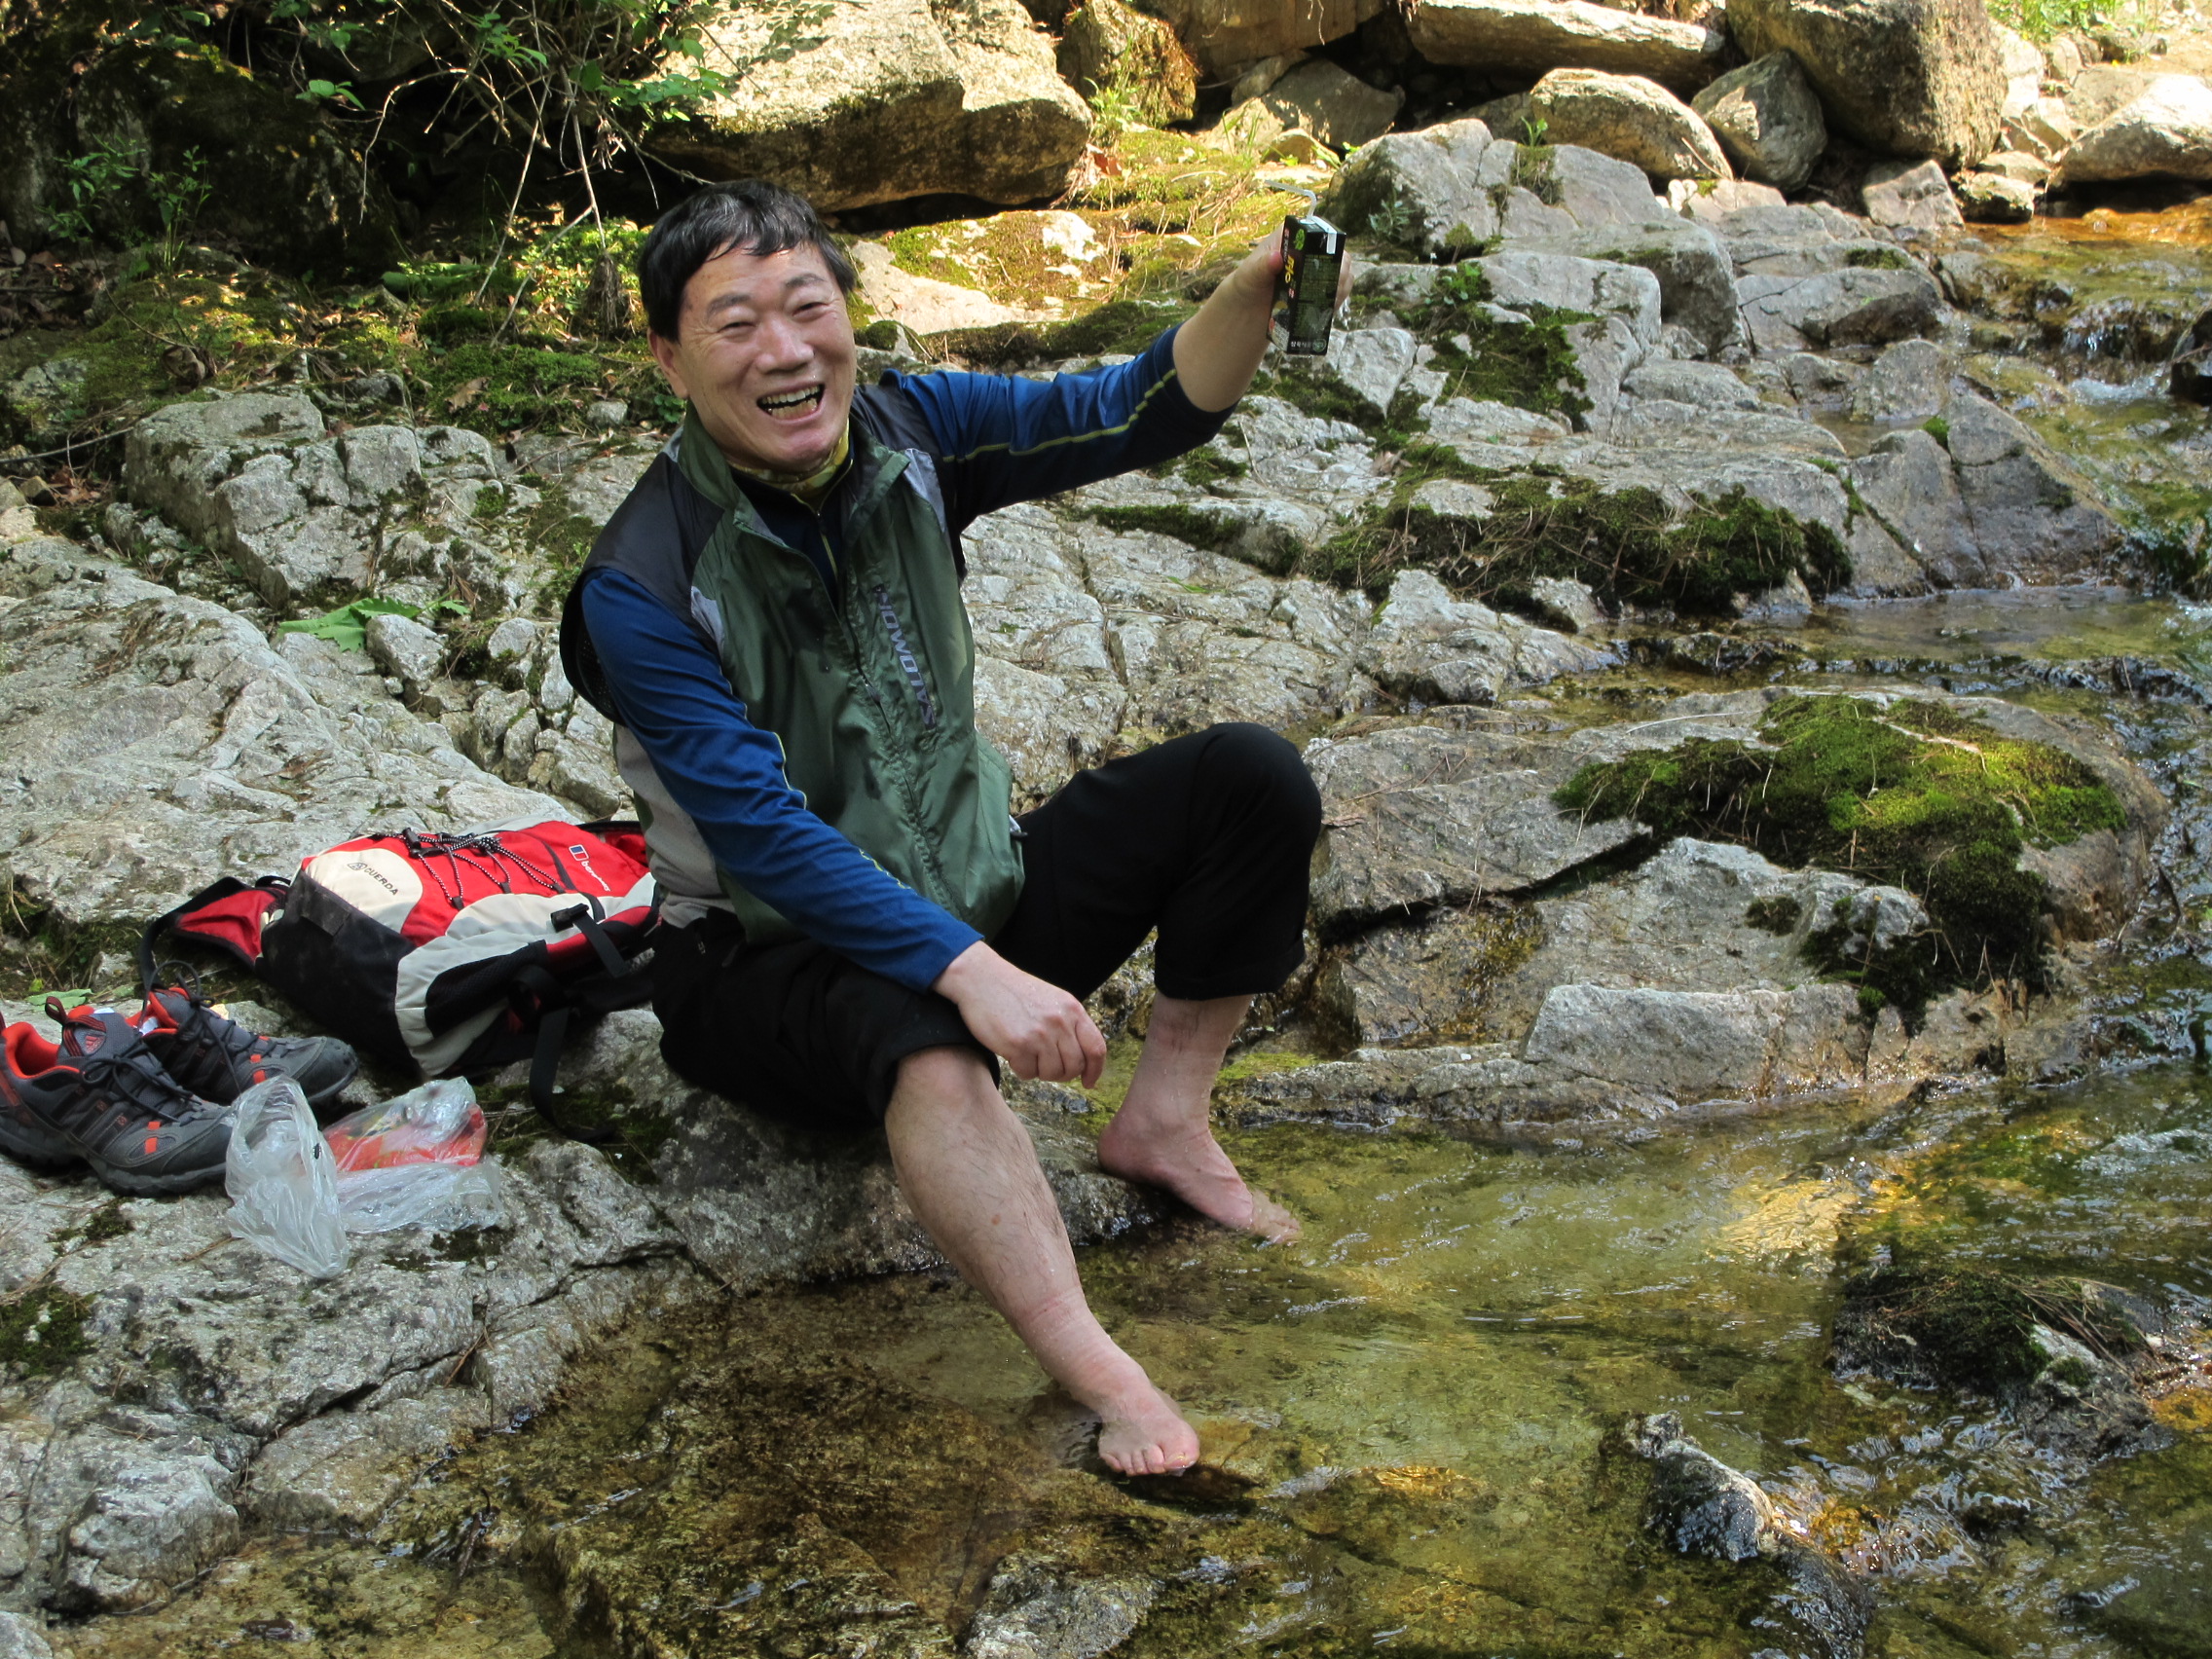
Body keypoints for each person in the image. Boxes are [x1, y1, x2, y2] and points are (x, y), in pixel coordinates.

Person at [558, 179, 1339, 1475]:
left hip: (971, 890)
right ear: (668, 359)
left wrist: (1252, 296)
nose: (785, 351)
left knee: (1248, 780)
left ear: (849, 317)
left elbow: (1140, 407)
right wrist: (973, 978)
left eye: (808, 307)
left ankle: (1164, 1125)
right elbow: (760, 835)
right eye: (737, 324)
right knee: (922, 1034)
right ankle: (1103, 1374)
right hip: (761, 963)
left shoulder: (915, 433)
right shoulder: (641, 584)